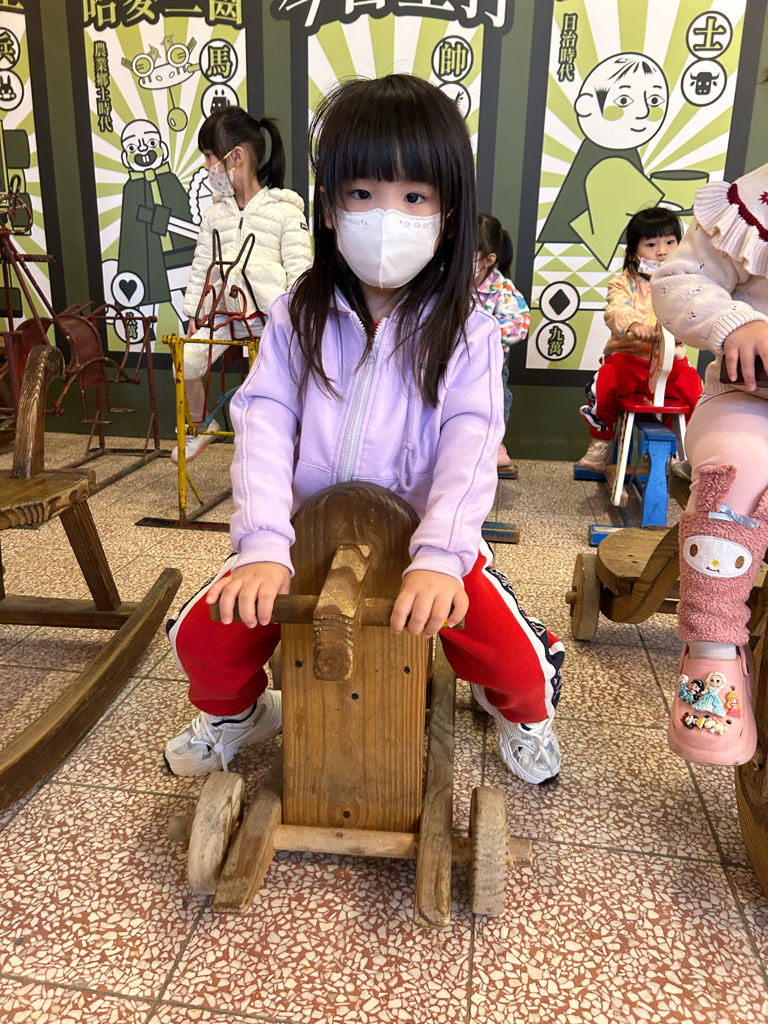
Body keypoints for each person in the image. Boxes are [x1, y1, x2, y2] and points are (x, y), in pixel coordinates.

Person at [163, 74, 565, 785]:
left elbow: (472, 444)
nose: (387, 216)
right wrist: (262, 544)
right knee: (205, 637)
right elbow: (262, 421)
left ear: (448, 213)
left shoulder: (468, 331)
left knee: (514, 661)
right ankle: (238, 713)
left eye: (413, 198)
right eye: (361, 194)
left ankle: (526, 715)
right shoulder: (296, 313)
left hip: (424, 534)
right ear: (328, 206)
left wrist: (441, 555)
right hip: (302, 531)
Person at [651, 159, 768, 766]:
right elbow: (677, 282)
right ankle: (713, 649)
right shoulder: (754, 202)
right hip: (751, 400)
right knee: (734, 475)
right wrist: (737, 322)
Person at [174, 107, 313, 464]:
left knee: (270, 392)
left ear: (237, 156)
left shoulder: (284, 212)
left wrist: (292, 326)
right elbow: (202, 266)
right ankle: (201, 426)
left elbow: (300, 275)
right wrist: (193, 315)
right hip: (223, 317)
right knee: (184, 362)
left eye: (210, 156)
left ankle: (284, 451)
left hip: (270, 324)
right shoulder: (215, 214)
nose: (207, 166)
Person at [578, 206, 703, 471]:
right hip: (630, 357)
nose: (662, 251)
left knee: (693, 387)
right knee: (607, 380)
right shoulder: (623, 283)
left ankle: (674, 448)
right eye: (651, 244)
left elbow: (693, 312)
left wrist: (683, 329)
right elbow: (615, 310)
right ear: (634, 250)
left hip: (669, 361)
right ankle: (601, 440)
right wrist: (633, 324)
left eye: (670, 242)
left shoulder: (686, 283)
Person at [474, 213, 530, 468]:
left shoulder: (503, 290)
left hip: (489, 365)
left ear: (488, 260)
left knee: (496, 399)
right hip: (447, 362)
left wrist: (480, 333)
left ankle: (494, 444)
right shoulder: (447, 284)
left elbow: (518, 326)